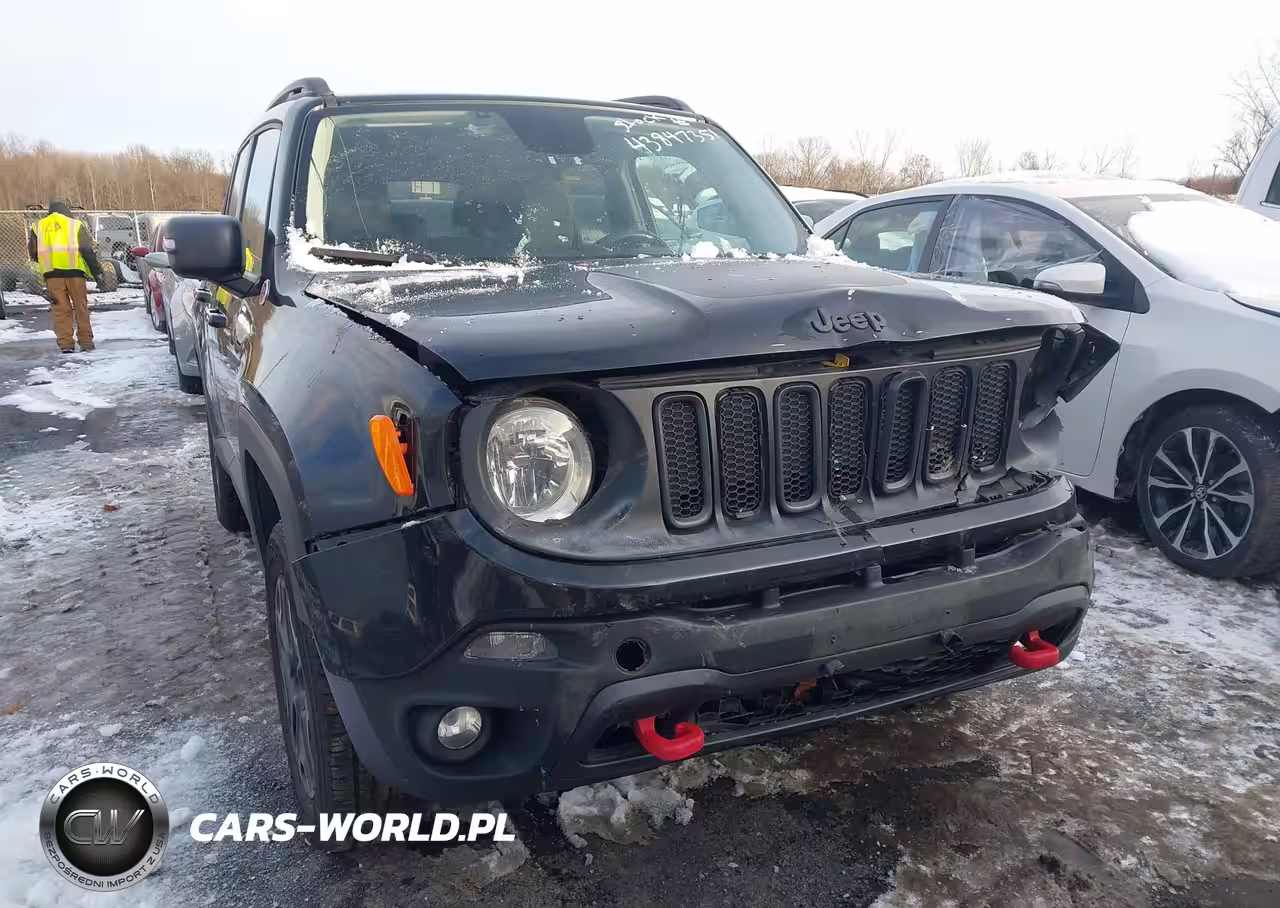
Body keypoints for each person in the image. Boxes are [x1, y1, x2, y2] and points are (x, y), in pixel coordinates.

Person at [27, 201, 104, 353]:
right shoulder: (74, 224)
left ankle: (66, 345)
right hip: (75, 273)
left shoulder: (38, 226)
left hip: (52, 275)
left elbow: (33, 253)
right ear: (67, 211)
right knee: (81, 308)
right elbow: (87, 251)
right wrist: (97, 272)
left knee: (60, 310)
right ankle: (86, 343)